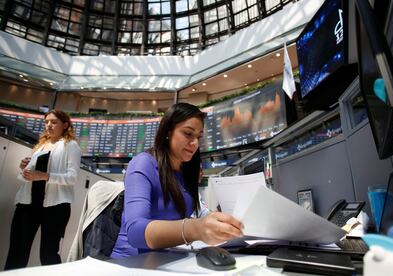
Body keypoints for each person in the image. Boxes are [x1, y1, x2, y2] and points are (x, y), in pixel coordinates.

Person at [111, 103, 244, 258]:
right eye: (188, 134)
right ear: (168, 132)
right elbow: (136, 233)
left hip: (169, 260)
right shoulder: (143, 164)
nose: (194, 143)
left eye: (198, 137)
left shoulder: (186, 172)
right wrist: (195, 229)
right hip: (131, 263)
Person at [4, 110, 81, 270]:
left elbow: (72, 177)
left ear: (65, 125)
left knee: (48, 255)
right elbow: (32, 175)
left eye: (54, 122)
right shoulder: (39, 146)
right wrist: (25, 169)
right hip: (28, 204)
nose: (49, 125)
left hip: (56, 207)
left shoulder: (71, 145)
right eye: (46, 122)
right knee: (17, 252)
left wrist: (44, 176)